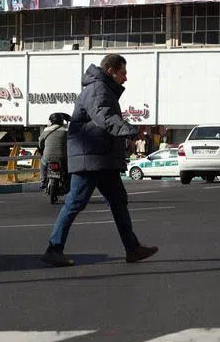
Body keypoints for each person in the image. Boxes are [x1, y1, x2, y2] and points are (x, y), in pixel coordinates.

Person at [41, 54, 158, 267]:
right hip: (91, 157)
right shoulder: (97, 89)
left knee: (118, 201)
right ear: (111, 71)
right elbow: (103, 116)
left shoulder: (104, 90)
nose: (125, 78)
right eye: (122, 73)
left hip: (102, 158)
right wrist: (129, 131)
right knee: (75, 202)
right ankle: (53, 248)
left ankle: (132, 248)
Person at [38, 113, 69, 190]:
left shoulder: (46, 130)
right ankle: (67, 182)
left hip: (47, 156)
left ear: (51, 121)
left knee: (42, 163)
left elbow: (40, 143)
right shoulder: (65, 131)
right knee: (67, 168)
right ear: (61, 121)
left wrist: (41, 149)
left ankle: (43, 181)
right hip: (62, 157)